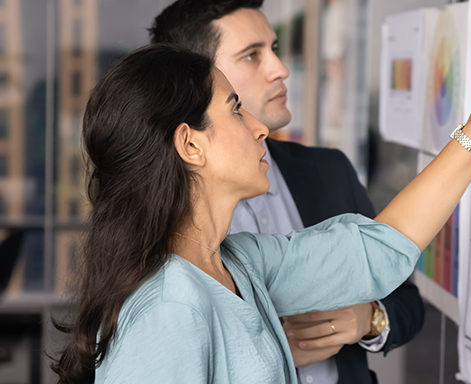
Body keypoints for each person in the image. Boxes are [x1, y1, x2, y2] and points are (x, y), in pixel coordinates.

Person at [50, 17, 471, 384]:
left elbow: (380, 249)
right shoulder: (164, 313)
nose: (257, 127)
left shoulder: (239, 262)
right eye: (234, 110)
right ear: (190, 144)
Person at [148, 2, 422, 382]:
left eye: (273, 49)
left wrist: (370, 318)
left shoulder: (328, 171)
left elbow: (396, 273)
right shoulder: (157, 229)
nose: (280, 69)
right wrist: (264, 349)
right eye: (251, 56)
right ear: (198, 77)